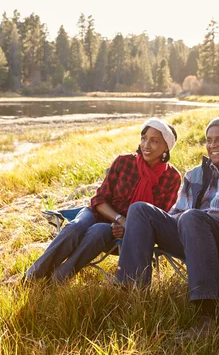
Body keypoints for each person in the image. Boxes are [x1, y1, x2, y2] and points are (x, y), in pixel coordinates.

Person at [116, 116, 219, 331]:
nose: (212, 145)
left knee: (193, 216)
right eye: (209, 140)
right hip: (193, 236)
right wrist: (172, 222)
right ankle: (132, 294)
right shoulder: (194, 175)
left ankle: (207, 315)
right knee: (140, 209)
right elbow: (178, 211)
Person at [25, 118, 182, 283]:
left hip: (122, 230)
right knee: (75, 227)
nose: (146, 145)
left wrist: (130, 228)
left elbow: (157, 217)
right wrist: (121, 220)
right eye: (144, 138)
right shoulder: (124, 162)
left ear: (166, 147)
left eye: (154, 141)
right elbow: (99, 199)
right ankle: (32, 276)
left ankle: (57, 278)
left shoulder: (171, 177)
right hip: (99, 212)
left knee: (97, 232)